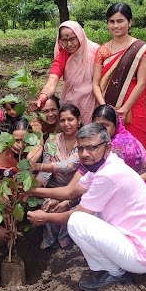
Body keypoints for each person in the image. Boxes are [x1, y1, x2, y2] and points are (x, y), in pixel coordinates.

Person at [27, 123, 146, 291]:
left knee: (77, 222)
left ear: (108, 148)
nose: (85, 154)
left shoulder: (108, 175)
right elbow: (71, 191)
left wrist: (45, 217)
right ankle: (114, 267)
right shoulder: (104, 165)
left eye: (92, 147)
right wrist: (31, 191)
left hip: (143, 255)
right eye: (81, 149)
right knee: (88, 216)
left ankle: (115, 274)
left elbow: (75, 215)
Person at [92, 3, 146, 149]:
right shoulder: (102, 51)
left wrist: (124, 109)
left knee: (136, 147)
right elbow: (95, 83)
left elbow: (141, 83)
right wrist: (104, 108)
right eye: (111, 21)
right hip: (107, 105)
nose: (116, 25)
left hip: (133, 106)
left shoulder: (141, 50)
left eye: (120, 21)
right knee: (108, 148)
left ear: (130, 22)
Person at [91, 104, 146, 212]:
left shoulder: (120, 144)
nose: (101, 130)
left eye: (106, 125)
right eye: (97, 125)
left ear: (116, 124)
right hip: (135, 187)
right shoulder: (104, 142)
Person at [32, 104, 82, 249]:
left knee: (69, 207)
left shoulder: (85, 142)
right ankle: (49, 239)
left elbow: (69, 165)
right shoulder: (52, 142)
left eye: (70, 119)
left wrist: (38, 166)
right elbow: (46, 173)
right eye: (62, 120)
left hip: (78, 189)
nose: (66, 124)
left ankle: (66, 240)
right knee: (48, 204)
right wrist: (34, 188)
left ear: (78, 120)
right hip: (55, 187)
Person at [29, 21, 98, 124]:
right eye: (64, 40)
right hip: (72, 102)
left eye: (72, 39)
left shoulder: (96, 52)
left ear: (80, 36)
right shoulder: (62, 57)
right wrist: (42, 97)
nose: (69, 44)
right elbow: (53, 80)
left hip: (94, 101)